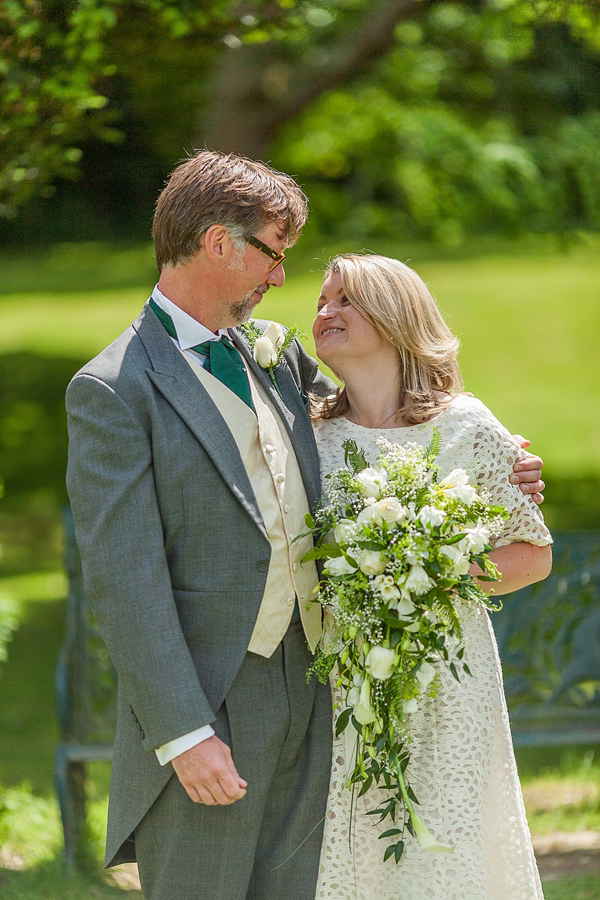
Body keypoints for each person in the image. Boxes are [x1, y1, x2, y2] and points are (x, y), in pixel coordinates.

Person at [65, 150, 545, 900]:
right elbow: (125, 579)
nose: (281, 279)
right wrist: (185, 734)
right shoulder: (113, 387)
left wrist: (501, 463)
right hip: (211, 700)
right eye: (274, 254)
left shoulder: (277, 356)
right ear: (219, 241)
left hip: (321, 693)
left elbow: (390, 423)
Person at [310, 253, 553, 900]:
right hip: (338, 674)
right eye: (321, 302)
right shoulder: (307, 438)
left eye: (345, 300)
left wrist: (435, 572)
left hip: (449, 676)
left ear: (394, 317)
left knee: (449, 838)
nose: (324, 313)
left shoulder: (467, 425)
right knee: (353, 839)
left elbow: (532, 553)